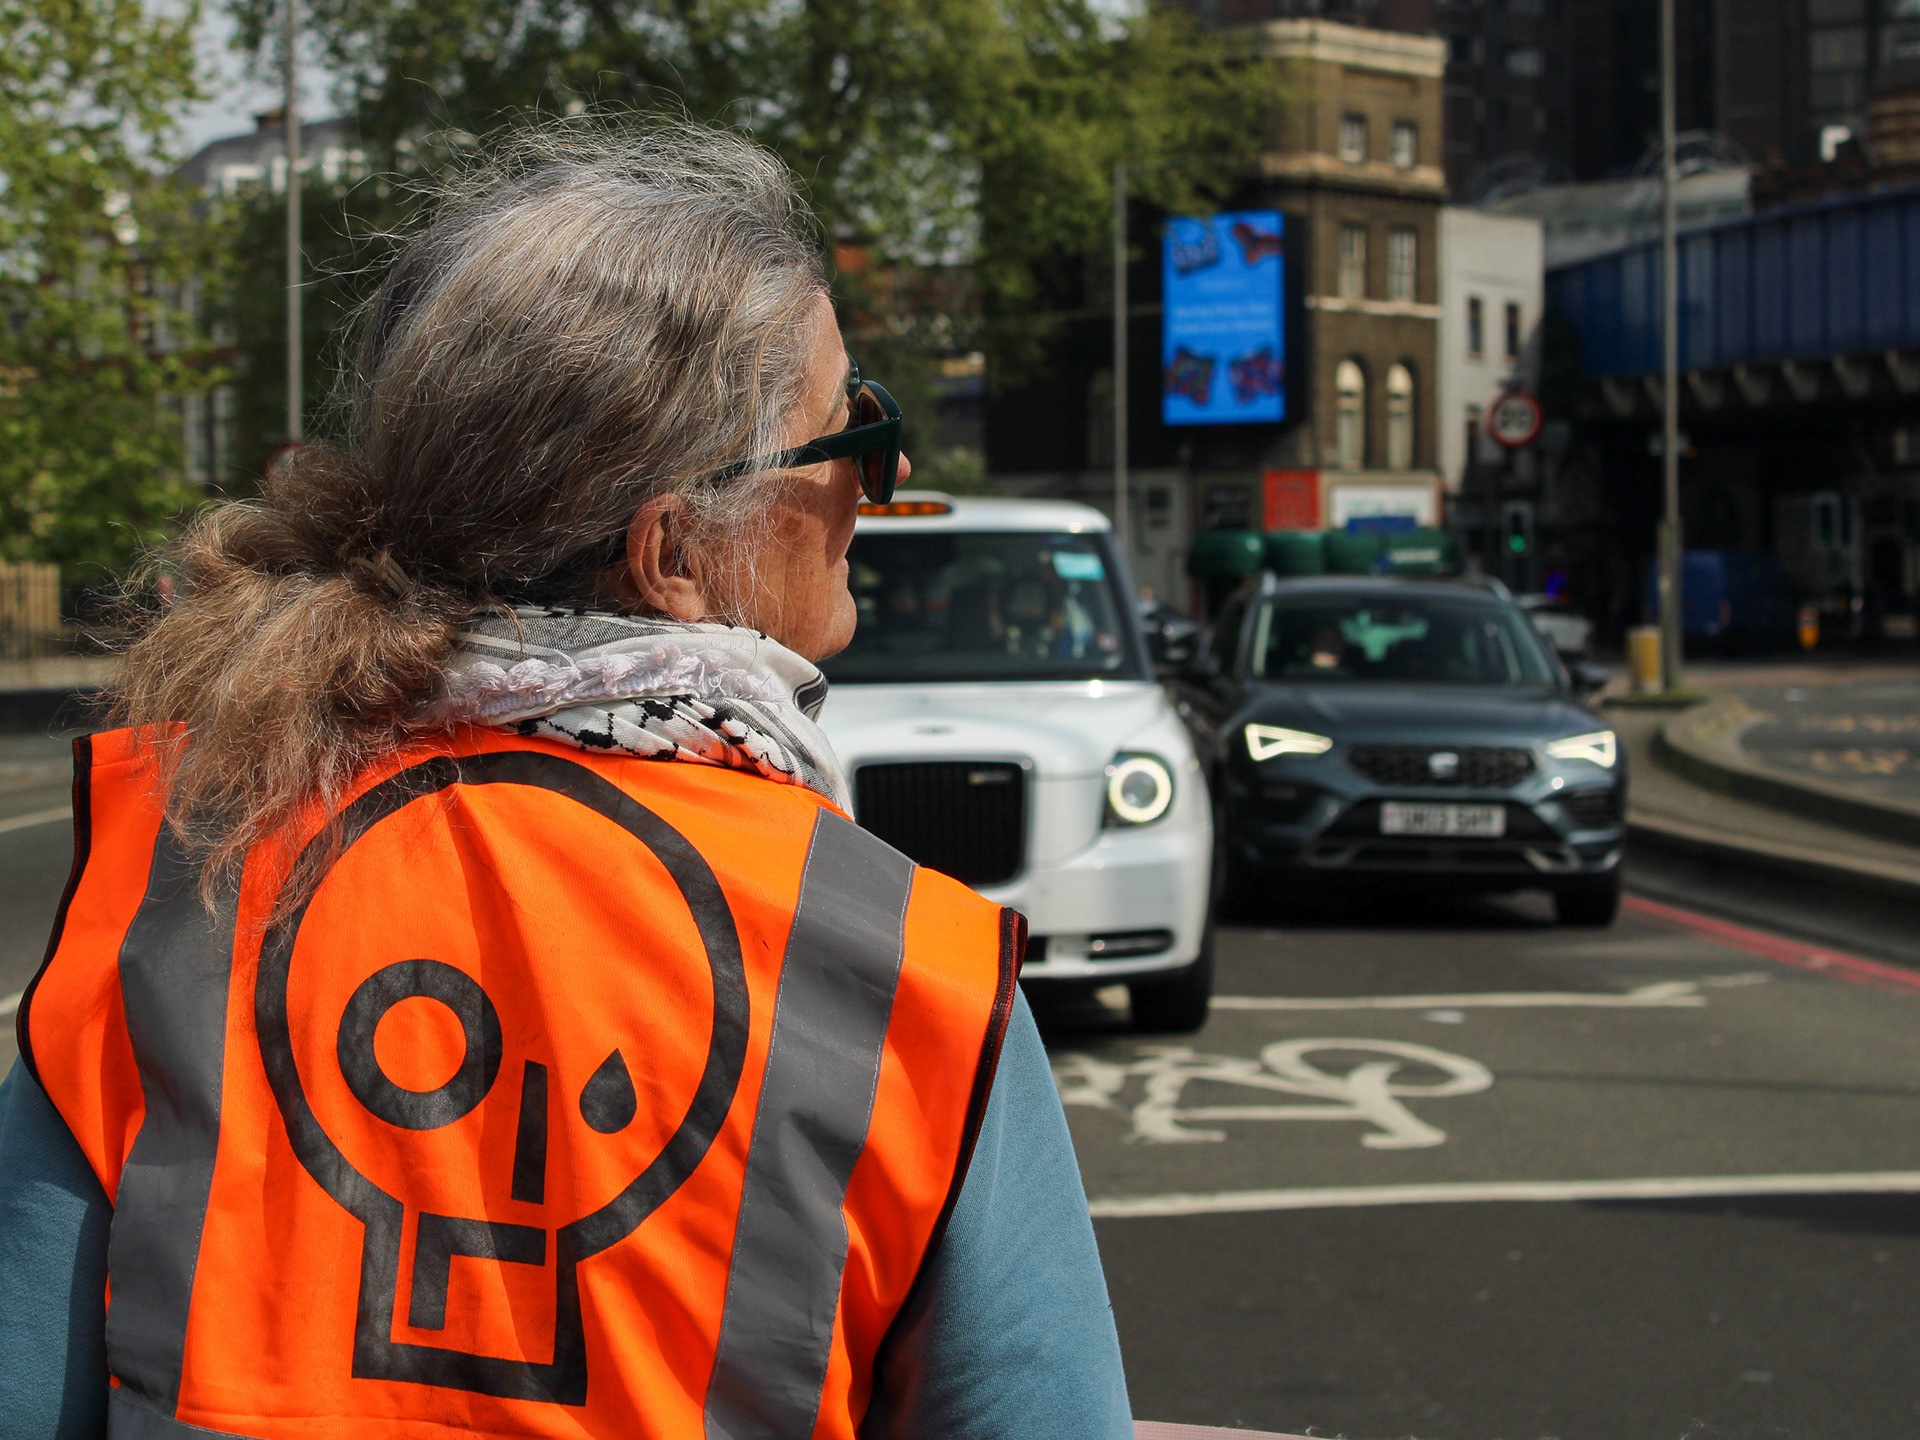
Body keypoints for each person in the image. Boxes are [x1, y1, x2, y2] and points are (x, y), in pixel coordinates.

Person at [0, 123, 1131, 1440]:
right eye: (851, 432)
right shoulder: (903, 977)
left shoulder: (180, 867)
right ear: (672, 554)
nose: (885, 483)